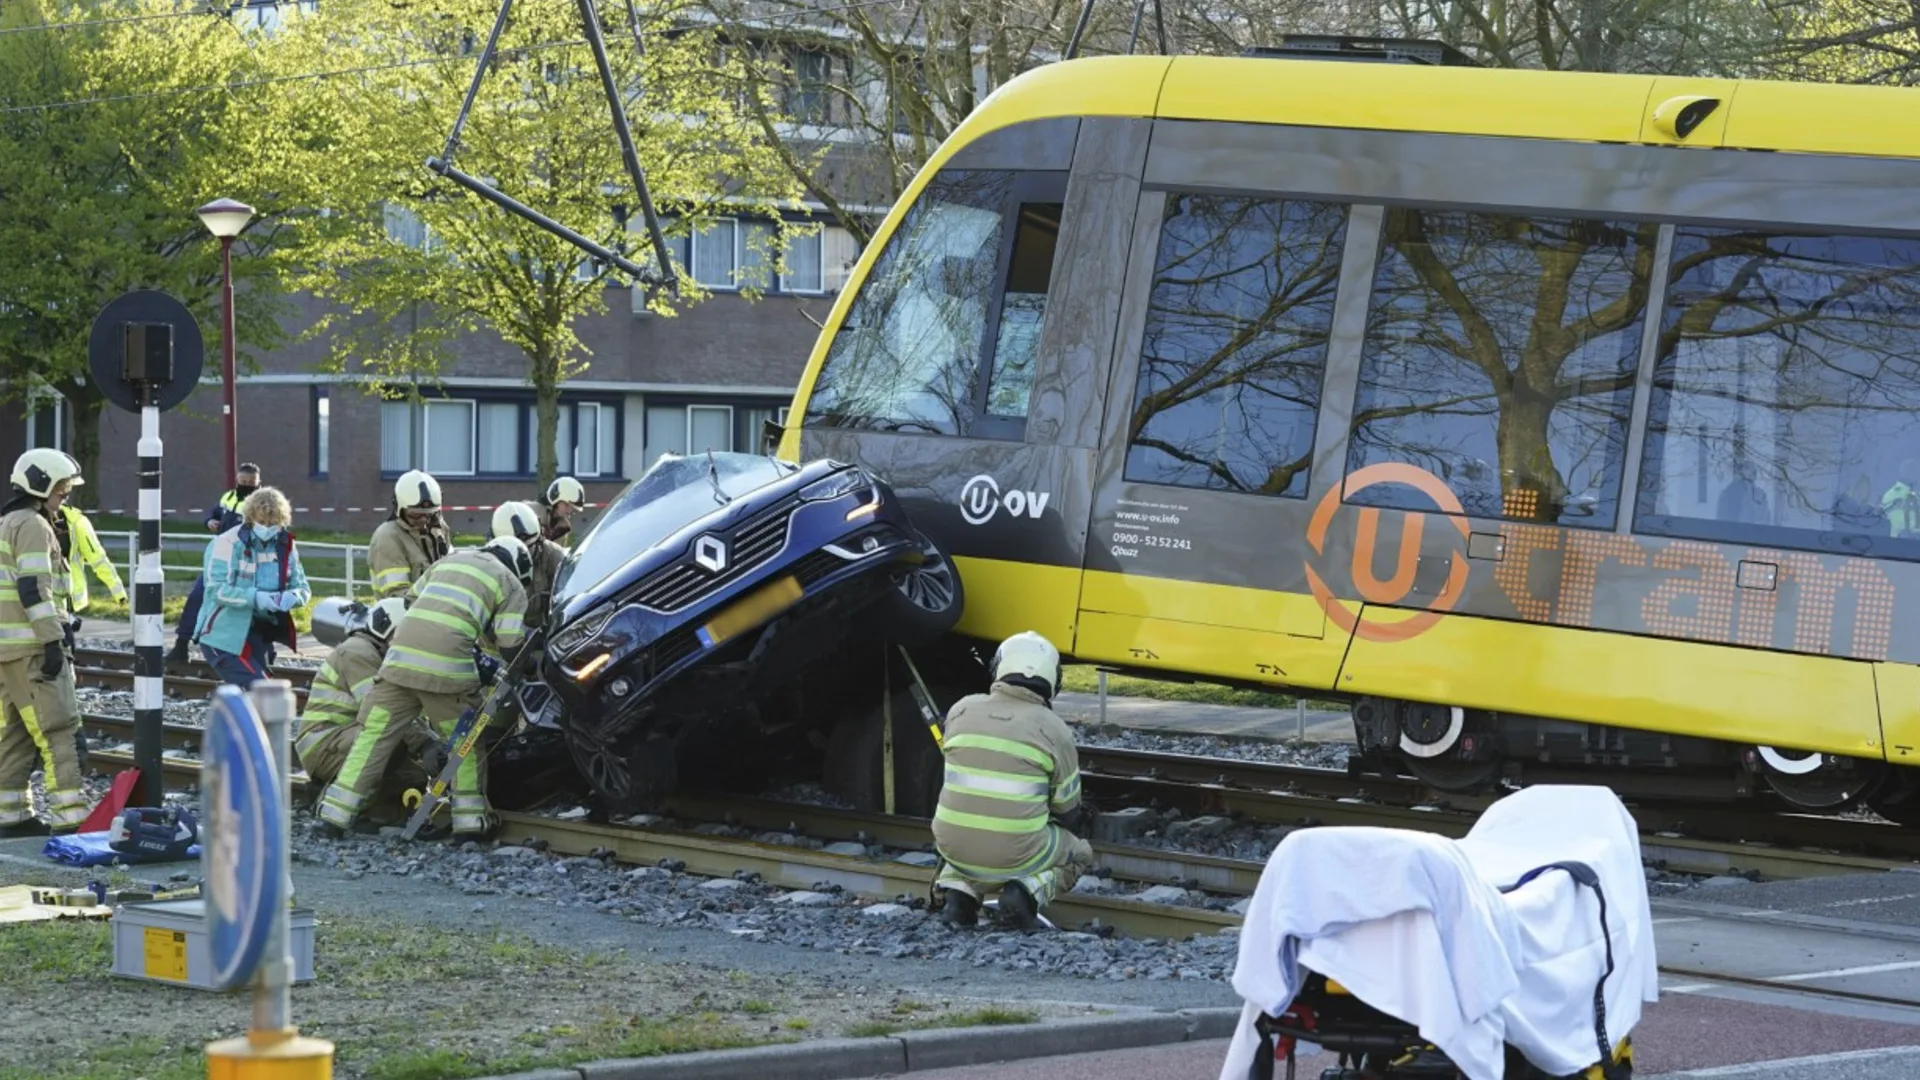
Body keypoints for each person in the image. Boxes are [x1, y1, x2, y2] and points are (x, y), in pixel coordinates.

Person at [316, 535, 531, 840]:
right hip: (446, 672)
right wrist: (528, 662)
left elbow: (409, 602)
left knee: (372, 737)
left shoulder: (448, 561)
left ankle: (334, 817)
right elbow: (511, 645)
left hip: (398, 664)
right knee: (465, 742)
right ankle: (470, 825)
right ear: (519, 566)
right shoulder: (511, 583)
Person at [931, 631, 1092, 931]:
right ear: (1053, 680)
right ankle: (1024, 894)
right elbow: (1068, 811)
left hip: (952, 846)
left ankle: (959, 897)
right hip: (1015, 855)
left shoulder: (961, 709)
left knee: (970, 824)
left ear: (999, 668)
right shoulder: (1054, 729)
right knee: (1080, 853)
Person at [0, 449, 88, 837]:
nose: (66, 494)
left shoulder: (7, 522)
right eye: (62, 487)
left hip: (8, 652)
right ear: (41, 484)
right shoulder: (34, 525)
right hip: (34, 649)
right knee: (58, 731)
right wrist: (53, 641)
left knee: (15, 734)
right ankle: (70, 818)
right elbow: (34, 589)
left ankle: (11, 815)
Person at [294, 597, 428, 800]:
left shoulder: (378, 653)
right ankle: (331, 797)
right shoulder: (357, 653)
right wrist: (425, 744)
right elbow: (385, 711)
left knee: (415, 777)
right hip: (324, 746)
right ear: (385, 628)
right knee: (389, 741)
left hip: (343, 739)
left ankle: (364, 807)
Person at [193, 487, 311, 689]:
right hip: (223, 635)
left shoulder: (285, 545)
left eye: (273, 523)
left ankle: (232, 709)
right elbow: (216, 589)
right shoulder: (227, 542)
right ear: (250, 517)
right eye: (262, 522)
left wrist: (293, 596)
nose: (267, 527)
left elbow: (302, 587)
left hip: (259, 634)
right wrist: (256, 598)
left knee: (260, 696)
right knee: (262, 691)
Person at [168, 463, 259, 670]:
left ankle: (256, 657)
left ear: (258, 483)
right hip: (219, 561)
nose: (246, 486)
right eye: (243, 482)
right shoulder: (228, 497)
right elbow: (215, 512)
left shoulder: (261, 503)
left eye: (251, 483)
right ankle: (181, 646)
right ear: (237, 481)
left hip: (245, 566)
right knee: (197, 598)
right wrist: (210, 521)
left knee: (247, 611)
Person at [369, 470, 451, 598]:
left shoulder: (439, 528)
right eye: (415, 515)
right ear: (399, 510)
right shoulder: (388, 538)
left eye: (429, 514)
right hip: (405, 610)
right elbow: (396, 595)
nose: (423, 521)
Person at [56, 502, 126, 615]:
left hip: (67, 600)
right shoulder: (33, 520)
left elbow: (98, 559)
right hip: (42, 598)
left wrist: (118, 592)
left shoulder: (77, 522)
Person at [539, 476, 585, 547]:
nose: (569, 511)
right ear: (555, 500)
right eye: (566, 505)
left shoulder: (563, 528)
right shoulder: (533, 513)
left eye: (573, 508)